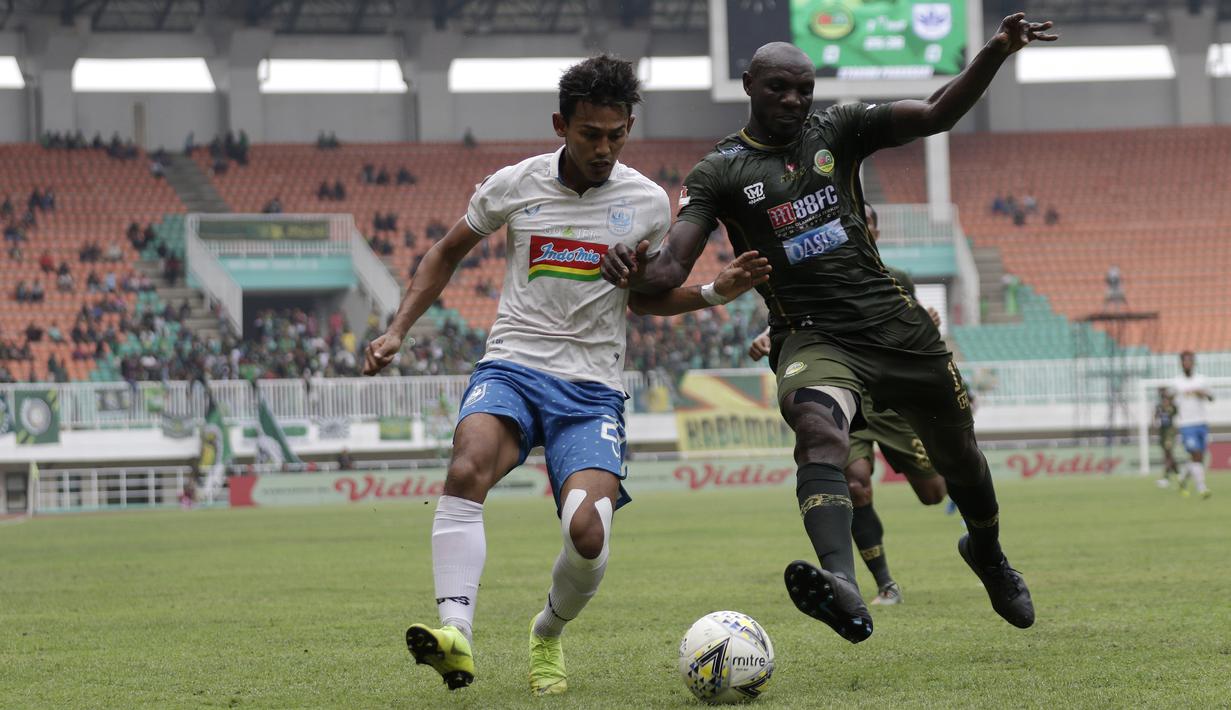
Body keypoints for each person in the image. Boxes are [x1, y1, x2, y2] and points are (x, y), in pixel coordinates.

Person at [601, 14, 1057, 643]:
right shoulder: (721, 171)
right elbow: (673, 264)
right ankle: (841, 582)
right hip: (811, 335)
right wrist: (632, 266)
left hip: (894, 325)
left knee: (960, 461)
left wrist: (997, 50)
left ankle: (988, 553)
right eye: (779, 88)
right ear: (748, 85)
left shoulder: (838, 128)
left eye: (804, 89)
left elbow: (934, 115)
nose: (793, 100)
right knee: (818, 430)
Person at [362, 55, 769, 694]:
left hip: (591, 388)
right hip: (514, 366)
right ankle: (456, 636)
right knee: (466, 468)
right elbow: (443, 253)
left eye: (617, 134)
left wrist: (716, 291)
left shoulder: (645, 203)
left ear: (629, 127)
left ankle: (547, 631)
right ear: (561, 124)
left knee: (587, 534)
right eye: (590, 134)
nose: (604, 148)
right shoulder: (513, 185)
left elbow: (645, 298)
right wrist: (397, 329)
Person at [747, 203, 946, 606]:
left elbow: (912, 330)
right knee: (855, 483)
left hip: (892, 401)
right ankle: (885, 584)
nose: (862, 229)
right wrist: (769, 337)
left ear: (874, 231)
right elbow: (799, 319)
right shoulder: (817, 274)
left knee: (934, 493)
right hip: (845, 393)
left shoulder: (898, 279)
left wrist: (925, 326)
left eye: (868, 223)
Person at [1171, 351, 1213, 499]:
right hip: (1186, 424)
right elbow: (1173, 404)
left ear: (1193, 363)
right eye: (1184, 361)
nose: (1187, 363)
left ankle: (1183, 478)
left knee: (1198, 458)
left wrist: (1201, 392)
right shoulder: (1177, 383)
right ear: (1181, 363)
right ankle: (1202, 488)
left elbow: (1211, 397)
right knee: (1195, 454)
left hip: (1201, 423)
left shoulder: (1201, 380)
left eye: (1189, 361)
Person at [1153, 387, 1180, 488]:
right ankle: (1179, 474)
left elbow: (1175, 411)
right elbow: (1155, 417)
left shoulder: (1172, 406)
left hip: (1170, 433)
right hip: (1162, 433)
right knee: (1168, 455)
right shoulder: (1159, 406)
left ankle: (1165, 477)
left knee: (1168, 453)